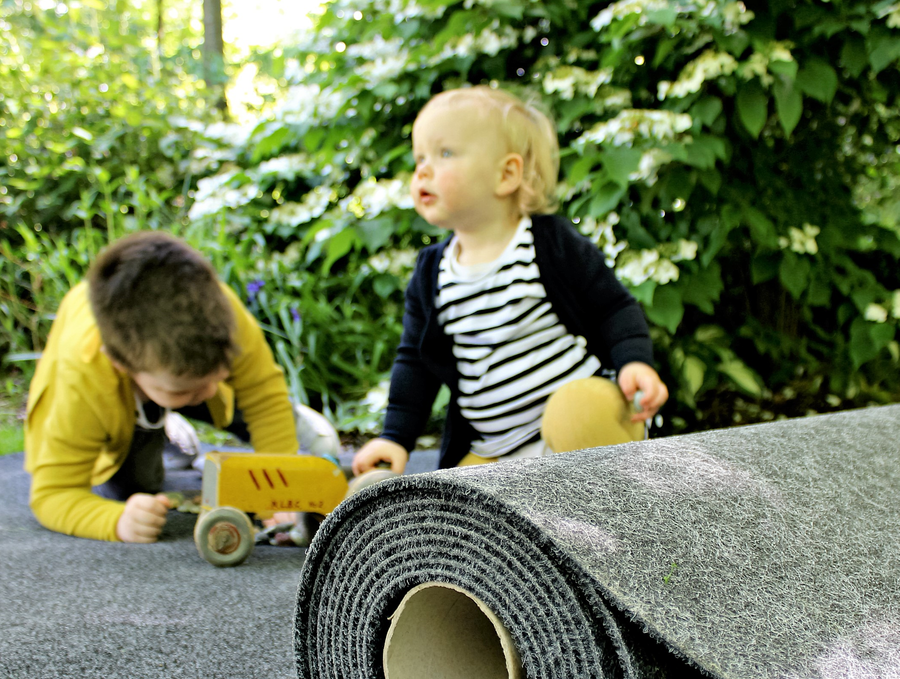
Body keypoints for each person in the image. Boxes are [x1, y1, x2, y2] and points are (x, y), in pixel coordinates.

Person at [352, 85, 668, 478]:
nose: (423, 170)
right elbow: (414, 362)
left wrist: (634, 362)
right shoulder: (432, 272)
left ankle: (618, 514)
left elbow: (612, 307)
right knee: (446, 508)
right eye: (419, 157)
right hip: (498, 451)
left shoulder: (546, 243)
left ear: (507, 174)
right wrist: (395, 437)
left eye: (444, 153)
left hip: (584, 432)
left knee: (576, 411)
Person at [24, 231, 300, 544]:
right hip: (110, 397)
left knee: (280, 424)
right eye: (181, 392)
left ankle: (170, 405)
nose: (210, 392)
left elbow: (264, 398)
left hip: (163, 379)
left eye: (219, 375)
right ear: (121, 365)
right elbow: (52, 495)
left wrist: (281, 492)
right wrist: (116, 521)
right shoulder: (81, 377)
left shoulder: (221, 312)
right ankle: (154, 424)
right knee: (138, 485)